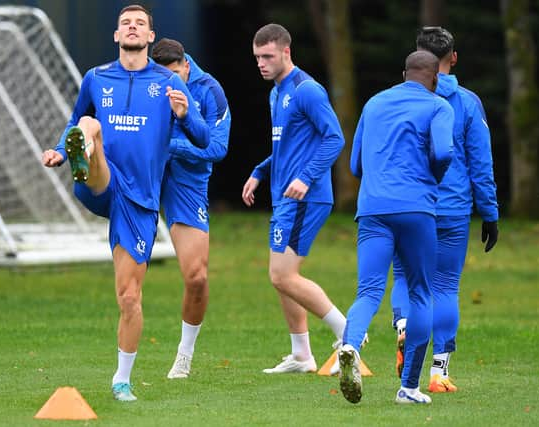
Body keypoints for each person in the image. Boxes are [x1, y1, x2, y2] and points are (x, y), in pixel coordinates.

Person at [41, 5, 209, 401]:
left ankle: (121, 381)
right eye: (125, 24)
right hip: (102, 183)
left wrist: (184, 116)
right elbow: (72, 119)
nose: (132, 28)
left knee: (130, 298)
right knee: (88, 125)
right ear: (116, 35)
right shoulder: (96, 79)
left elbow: (203, 138)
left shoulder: (169, 81)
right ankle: (85, 155)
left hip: (141, 201)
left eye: (140, 24)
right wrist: (60, 152)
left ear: (151, 37)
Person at [338, 50, 453, 405]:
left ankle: (350, 347)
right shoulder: (438, 106)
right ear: (434, 78)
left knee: (368, 291)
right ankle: (409, 387)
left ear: (404, 73)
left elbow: (356, 164)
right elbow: (445, 153)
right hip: (417, 209)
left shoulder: (373, 104)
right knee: (420, 293)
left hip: (372, 209)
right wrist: (431, 176)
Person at [390, 26, 499, 393]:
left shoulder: (398, 100)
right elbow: (481, 165)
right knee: (446, 286)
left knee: (406, 279)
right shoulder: (468, 103)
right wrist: (490, 213)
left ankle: (404, 328)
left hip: (408, 205)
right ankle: (439, 372)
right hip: (452, 209)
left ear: (417, 56)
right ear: (453, 58)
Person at [242, 23, 347, 375]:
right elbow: (287, 148)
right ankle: (302, 356)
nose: (261, 63)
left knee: (282, 275)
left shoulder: (306, 90)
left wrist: (305, 177)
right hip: (284, 195)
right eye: (257, 57)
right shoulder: (276, 92)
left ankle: (347, 332)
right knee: (282, 277)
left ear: (286, 52)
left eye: (268, 56)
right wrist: (260, 171)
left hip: (307, 197)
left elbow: (334, 139)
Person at [150, 38, 231, 379]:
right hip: (147, 172)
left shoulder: (209, 90)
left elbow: (217, 149)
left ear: (185, 66)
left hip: (186, 182)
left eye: (174, 76)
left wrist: (172, 145)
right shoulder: (142, 80)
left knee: (196, 277)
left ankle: (184, 355)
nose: (169, 84)